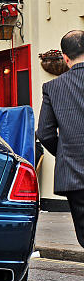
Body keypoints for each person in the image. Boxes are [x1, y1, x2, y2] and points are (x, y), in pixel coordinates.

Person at [37, 29, 84, 248]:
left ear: (65, 58)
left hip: (75, 175)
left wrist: (64, 153)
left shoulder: (53, 87)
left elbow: (45, 133)